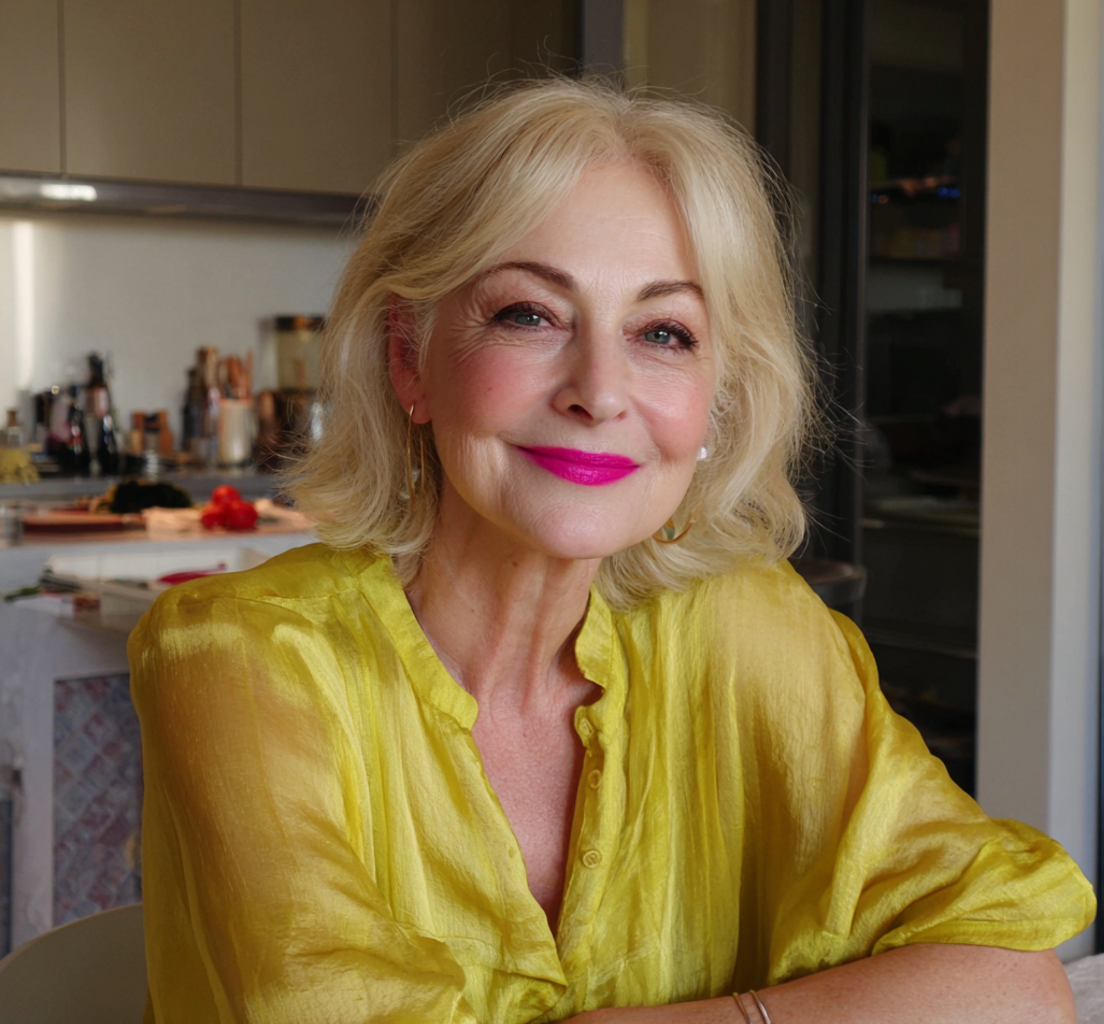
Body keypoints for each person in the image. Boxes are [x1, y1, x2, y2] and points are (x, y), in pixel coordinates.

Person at [129, 78, 1094, 1024]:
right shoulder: (237, 657)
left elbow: (1015, 987)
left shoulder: (750, 629)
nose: (599, 389)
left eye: (664, 332)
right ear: (408, 357)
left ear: (716, 397)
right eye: (530, 315)